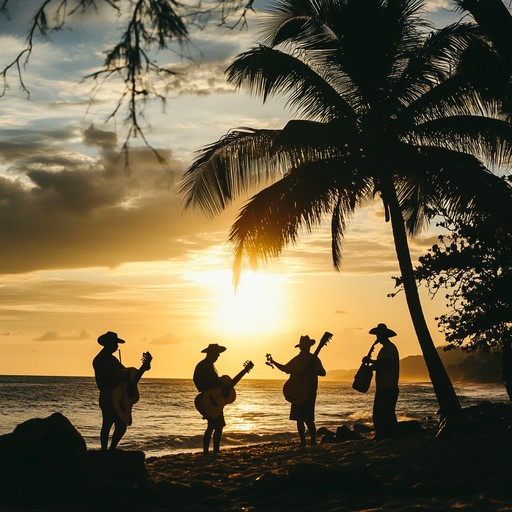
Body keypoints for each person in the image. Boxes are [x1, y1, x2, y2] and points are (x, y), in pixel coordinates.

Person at [270, 335, 326, 447]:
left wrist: (312, 370)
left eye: (307, 346)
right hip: (296, 390)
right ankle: (303, 442)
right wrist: (274, 362)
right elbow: (286, 369)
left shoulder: (314, 359)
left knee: (308, 418)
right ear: (302, 347)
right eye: (305, 346)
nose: (306, 348)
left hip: (309, 391)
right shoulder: (297, 359)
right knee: (299, 419)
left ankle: (313, 441)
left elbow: (323, 372)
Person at [92, 331, 129, 451]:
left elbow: (125, 372)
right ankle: (105, 450)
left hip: (114, 396)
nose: (117, 346)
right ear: (109, 344)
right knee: (108, 424)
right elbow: (112, 377)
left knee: (120, 425)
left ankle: (110, 449)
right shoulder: (100, 359)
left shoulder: (112, 359)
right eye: (115, 343)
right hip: (107, 395)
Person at [363, 323, 400, 439]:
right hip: (387, 387)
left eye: (379, 335)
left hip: (387, 387)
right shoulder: (386, 348)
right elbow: (383, 365)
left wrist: (371, 363)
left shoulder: (388, 348)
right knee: (387, 414)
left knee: (379, 414)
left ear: (384, 335)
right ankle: (388, 435)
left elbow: (387, 364)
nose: (377, 338)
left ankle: (381, 435)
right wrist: (371, 365)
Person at [193, 343, 227, 454]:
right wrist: (208, 391)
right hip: (211, 399)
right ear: (211, 353)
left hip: (213, 399)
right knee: (215, 426)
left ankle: (210, 450)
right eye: (217, 354)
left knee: (214, 425)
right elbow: (199, 380)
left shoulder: (207, 364)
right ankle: (211, 450)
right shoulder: (204, 365)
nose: (218, 356)